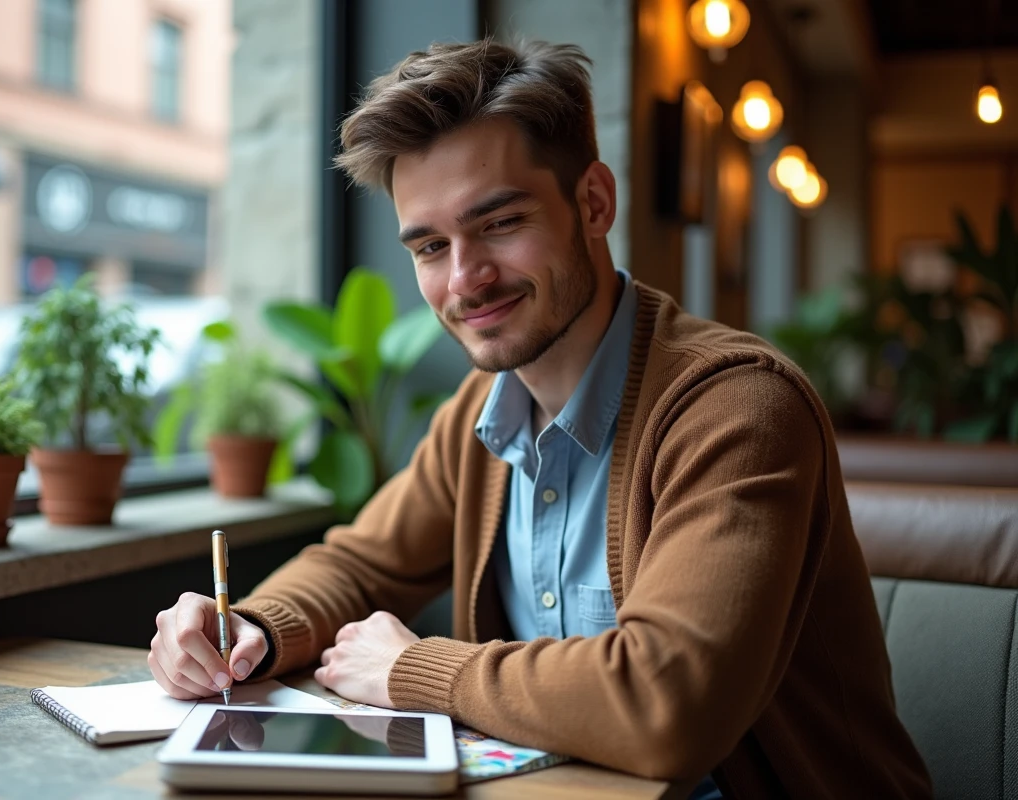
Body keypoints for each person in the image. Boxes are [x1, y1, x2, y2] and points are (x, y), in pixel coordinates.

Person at [150, 39, 932, 798]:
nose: (466, 280)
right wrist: (248, 630)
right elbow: (358, 564)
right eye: (429, 246)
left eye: (498, 224)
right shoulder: (479, 418)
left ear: (592, 203)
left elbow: (668, 706)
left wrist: (414, 670)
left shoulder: (738, 407)